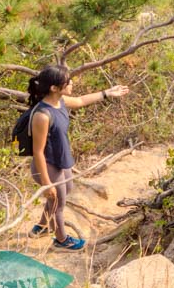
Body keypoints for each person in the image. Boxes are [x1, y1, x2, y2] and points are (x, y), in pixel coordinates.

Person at [26, 64, 129, 250]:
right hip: (48, 165)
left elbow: (81, 100)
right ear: (54, 88)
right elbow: (38, 152)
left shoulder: (61, 102)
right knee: (58, 202)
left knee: (65, 190)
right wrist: (47, 183)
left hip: (61, 161)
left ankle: (42, 226)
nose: (71, 83)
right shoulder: (42, 115)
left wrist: (108, 92)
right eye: (67, 81)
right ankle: (61, 240)